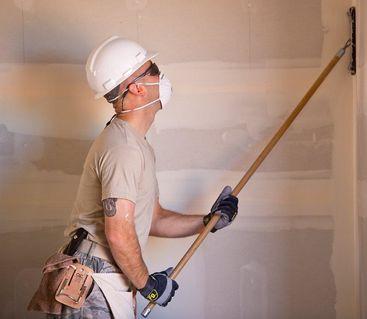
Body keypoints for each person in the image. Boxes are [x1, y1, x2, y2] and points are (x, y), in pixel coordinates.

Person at [48, 36, 239, 318]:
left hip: (105, 274)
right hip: (94, 278)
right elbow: (118, 232)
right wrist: (147, 285)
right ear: (136, 87)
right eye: (154, 70)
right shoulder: (123, 147)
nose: (161, 77)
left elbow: (154, 218)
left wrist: (208, 222)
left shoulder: (135, 144)